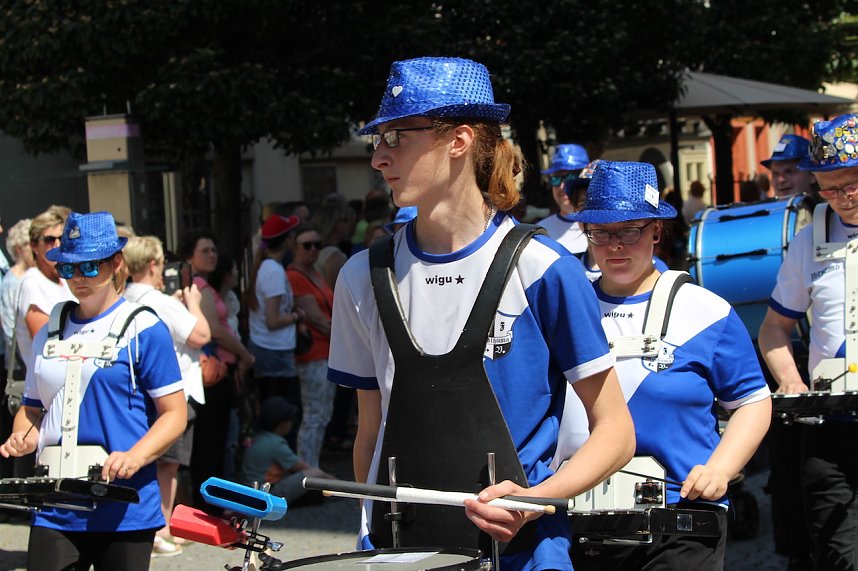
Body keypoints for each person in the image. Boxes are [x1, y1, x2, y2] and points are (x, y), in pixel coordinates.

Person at [330, 56, 634, 570]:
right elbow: (371, 430)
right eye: (377, 141)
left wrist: (535, 501)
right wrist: (371, 528)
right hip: (399, 553)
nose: (380, 158)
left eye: (397, 136)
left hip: (524, 555)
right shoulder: (360, 275)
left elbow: (616, 432)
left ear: (459, 140)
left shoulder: (542, 268)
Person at [566, 161, 771, 571]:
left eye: (629, 231)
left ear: (656, 231)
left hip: (683, 516)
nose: (615, 245)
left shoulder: (705, 310)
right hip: (580, 517)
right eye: (601, 233)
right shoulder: (565, 310)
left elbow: (752, 401)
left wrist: (720, 469)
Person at [0, 211, 187, 571]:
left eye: (89, 267)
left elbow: (174, 414)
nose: (77, 279)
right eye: (67, 269)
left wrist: (136, 455)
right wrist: (21, 434)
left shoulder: (145, 328)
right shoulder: (48, 332)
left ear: (116, 263)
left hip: (123, 504)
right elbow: (33, 408)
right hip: (56, 503)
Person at [758, 113, 858, 570]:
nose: (845, 198)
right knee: (838, 552)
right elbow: (775, 329)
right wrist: (791, 382)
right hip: (833, 427)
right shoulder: (808, 240)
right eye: (831, 188)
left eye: (853, 183)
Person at [123, 235, 212, 557]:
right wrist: (194, 306)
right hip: (171, 392)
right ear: (152, 264)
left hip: (138, 393)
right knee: (167, 464)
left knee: (148, 459)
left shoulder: (125, 296)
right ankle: (159, 527)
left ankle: (153, 526)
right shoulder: (159, 301)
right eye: (161, 263)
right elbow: (201, 334)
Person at [180, 229, 254, 512]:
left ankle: (210, 501)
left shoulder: (205, 286)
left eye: (213, 250)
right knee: (209, 443)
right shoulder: (198, 287)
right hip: (211, 375)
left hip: (221, 372)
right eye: (204, 251)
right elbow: (214, 332)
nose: (211, 255)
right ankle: (207, 504)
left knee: (217, 441)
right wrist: (245, 354)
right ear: (190, 256)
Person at [286, 224, 335, 469]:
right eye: (307, 245)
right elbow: (316, 317)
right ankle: (307, 472)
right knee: (314, 416)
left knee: (322, 414)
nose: (313, 249)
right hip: (313, 354)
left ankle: (312, 469)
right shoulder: (295, 276)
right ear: (295, 248)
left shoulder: (315, 271)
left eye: (318, 244)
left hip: (326, 352)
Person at [247, 214, 304, 407]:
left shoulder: (268, 267)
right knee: (282, 409)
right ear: (287, 239)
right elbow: (273, 320)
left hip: (270, 349)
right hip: (274, 351)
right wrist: (297, 316)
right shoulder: (273, 271)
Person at [239, 396, 333, 504]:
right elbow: (305, 469)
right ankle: (341, 490)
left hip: (250, 489)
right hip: (265, 493)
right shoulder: (276, 444)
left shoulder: (258, 438)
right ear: (282, 424)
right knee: (315, 473)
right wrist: (338, 483)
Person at [536, 143, 590, 254]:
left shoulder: (607, 227)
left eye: (571, 178)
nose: (562, 186)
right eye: (556, 179)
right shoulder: (539, 233)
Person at [761, 134, 815, 198]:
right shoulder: (764, 207)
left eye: (789, 171)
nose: (780, 180)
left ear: (812, 174)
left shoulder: (826, 207)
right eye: (775, 174)